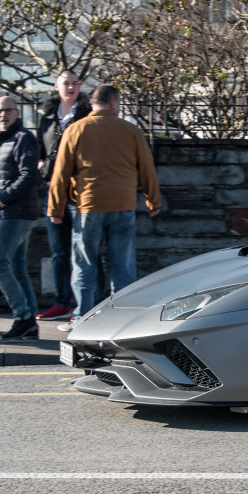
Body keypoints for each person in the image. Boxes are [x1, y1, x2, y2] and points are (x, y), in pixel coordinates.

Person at [48, 84, 161, 323]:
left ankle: (82, 317)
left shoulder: (75, 130)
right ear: (113, 102)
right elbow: (147, 169)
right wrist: (153, 200)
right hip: (123, 205)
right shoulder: (131, 131)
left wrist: (55, 207)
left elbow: (61, 172)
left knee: (84, 265)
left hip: (88, 206)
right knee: (123, 268)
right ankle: (120, 319)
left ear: (91, 104)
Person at [35, 70, 91, 320]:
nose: (71, 87)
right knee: (58, 250)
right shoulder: (47, 117)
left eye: (75, 83)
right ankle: (62, 301)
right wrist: (40, 165)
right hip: (52, 190)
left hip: (78, 192)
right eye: (66, 83)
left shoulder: (86, 115)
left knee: (83, 249)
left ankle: (88, 302)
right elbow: (40, 147)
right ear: (57, 86)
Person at [0, 95, 42, 340]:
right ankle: (29, 324)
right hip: (9, 213)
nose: (4, 114)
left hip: (15, 213)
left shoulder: (23, 138)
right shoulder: (5, 141)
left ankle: (22, 317)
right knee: (17, 268)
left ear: (17, 113)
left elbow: (29, 174)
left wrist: (3, 198)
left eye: (9, 110)